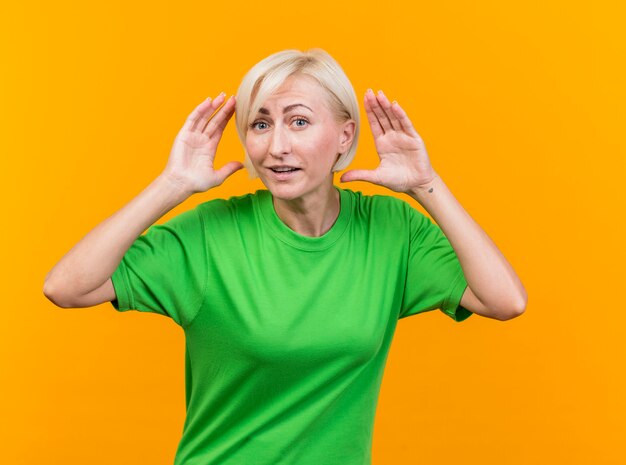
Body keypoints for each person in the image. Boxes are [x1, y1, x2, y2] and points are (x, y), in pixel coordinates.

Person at [43, 48, 527, 465]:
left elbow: (505, 301)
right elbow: (66, 287)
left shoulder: (391, 231)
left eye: (299, 121)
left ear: (344, 136)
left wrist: (426, 185)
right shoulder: (211, 235)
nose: (277, 146)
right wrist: (170, 186)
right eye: (260, 123)